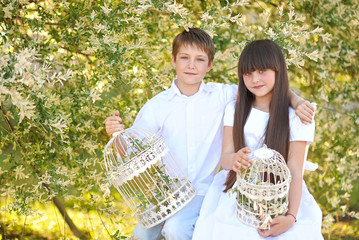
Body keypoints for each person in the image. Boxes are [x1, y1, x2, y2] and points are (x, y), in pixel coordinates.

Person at [105, 29, 315, 240]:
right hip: (165, 192)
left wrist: (296, 101)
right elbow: (130, 150)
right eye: (184, 58)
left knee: (175, 229)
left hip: (201, 191)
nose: (191, 65)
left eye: (199, 59)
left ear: (210, 64)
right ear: (173, 60)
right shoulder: (156, 106)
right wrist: (117, 136)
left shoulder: (221, 95)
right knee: (142, 233)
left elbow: (265, 88)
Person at [192, 39, 323, 240]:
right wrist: (235, 159)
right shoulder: (235, 109)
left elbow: (295, 171)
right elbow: (225, 158)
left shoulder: (297, 117)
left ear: (278, 70)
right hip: (239, 192)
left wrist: (290, 217)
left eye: (262, 71)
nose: (255, 79)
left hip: (283, 195)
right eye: (248, 73)